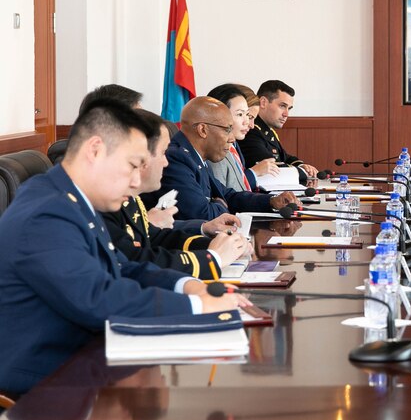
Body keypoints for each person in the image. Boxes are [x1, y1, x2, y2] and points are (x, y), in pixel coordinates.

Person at [0, 99, 248, 397]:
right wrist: (196, 308)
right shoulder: (47, 213)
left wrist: (188, 287)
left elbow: (122, 266)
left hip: (88, 357)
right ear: (95, 151)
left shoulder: (70, 199)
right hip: (48, 383)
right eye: (132, 166)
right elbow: (97, 299)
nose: (135, 181)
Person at [103, 110, 250, 280]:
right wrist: (211, 259)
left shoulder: (128, 198)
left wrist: (220, 245)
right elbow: (135, 260)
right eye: (163, 153)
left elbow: (156, 237)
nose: (166, 162)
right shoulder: (106, 201)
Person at [144, 97, 298, 221]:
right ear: (203, 130)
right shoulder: (176, 159)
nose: (232, 139)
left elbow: (228, 196)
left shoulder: (196, 156)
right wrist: (218, 203)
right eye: (227, 130)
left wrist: (271, 201)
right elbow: (202, 214)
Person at [238, 79, 318, 182]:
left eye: (289, 108)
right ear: (263, 102)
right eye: (282, 106)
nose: (286, 114)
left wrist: (301, 165)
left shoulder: (267, 130)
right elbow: (272, 169)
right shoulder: (250, 131)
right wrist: (303, 172)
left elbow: (284, 157)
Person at [207, 83, 260, 193]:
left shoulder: (232, 148)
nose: (248, 122)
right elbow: (222, 199)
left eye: (247, 115)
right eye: (240, 115)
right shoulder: (216, 155)